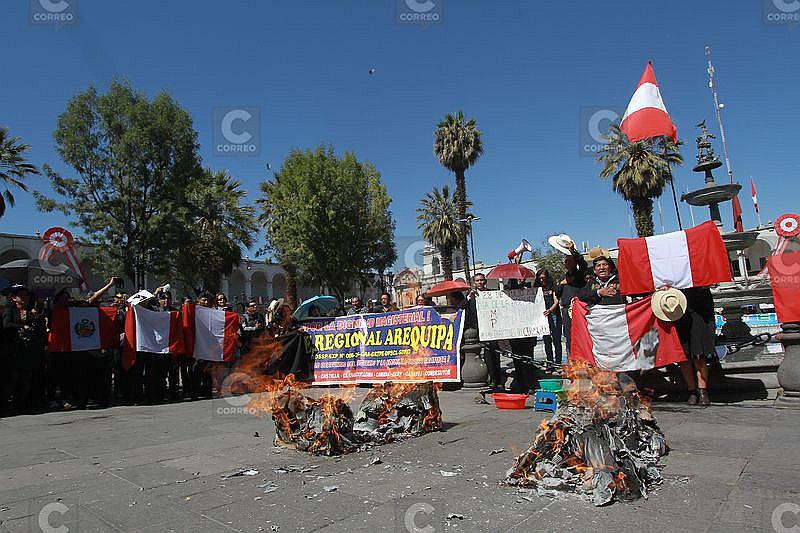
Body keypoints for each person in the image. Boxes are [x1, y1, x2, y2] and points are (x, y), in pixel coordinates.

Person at [675, 286, 716, 406]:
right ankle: (692, 391)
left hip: (699, 306)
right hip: (677, 304)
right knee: (684, 355)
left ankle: (703, 391)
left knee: (699, 354)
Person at [555, 241, 589, 356]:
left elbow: (583, 264)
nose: (567, 263)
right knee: (569, 335)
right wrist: (562, 283)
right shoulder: (562, 277)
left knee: (582, 334)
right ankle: (572, 359)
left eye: (570, 260)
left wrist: (573, 251)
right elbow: (557, 292)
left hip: (578, 309)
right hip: (566, 311)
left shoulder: (580, 274)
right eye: (566, 261)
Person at [535, 269, 563, 366]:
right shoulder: (537, 288)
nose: (542, 280)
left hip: (554, 315)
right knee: (547, 341)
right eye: (540, 279)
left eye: (544, 278)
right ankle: (550, 363)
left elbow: (556, 301)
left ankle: (558, 362)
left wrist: (550, 310)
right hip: (543, 318)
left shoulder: (553, 286)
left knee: (556, 340)